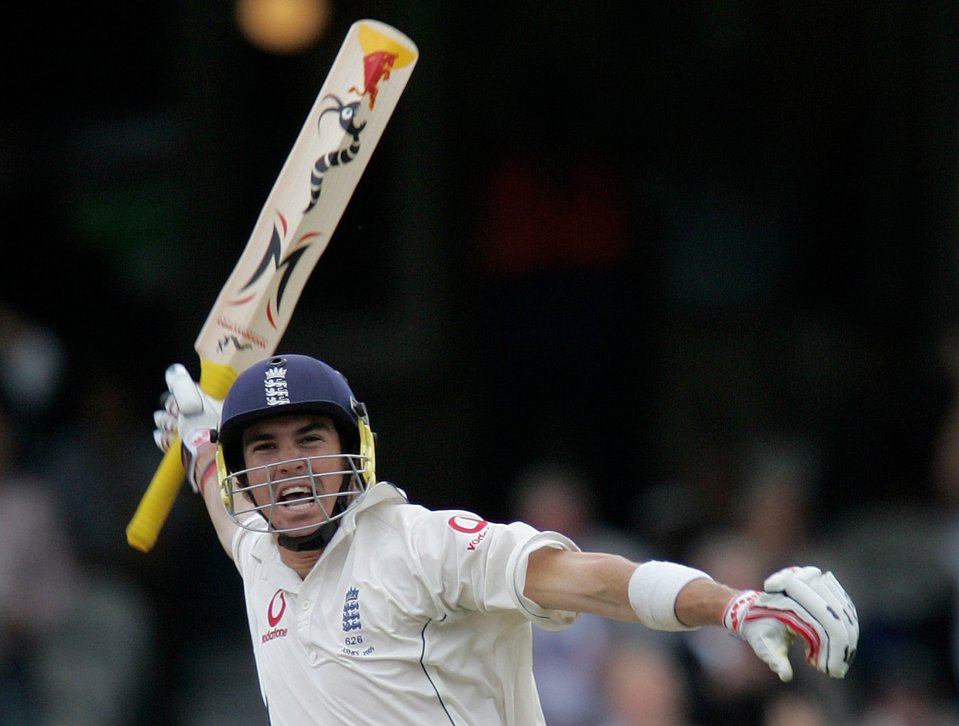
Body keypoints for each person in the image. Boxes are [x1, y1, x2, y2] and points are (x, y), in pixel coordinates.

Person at [153, 353, 859, 725]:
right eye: (266, 449)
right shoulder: (257, 552)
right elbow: (223, 500)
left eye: (311, 439)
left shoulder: (417, 545)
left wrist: (730, 607)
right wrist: (197, 441)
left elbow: (588, 580)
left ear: (354, 451)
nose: (292, 466)